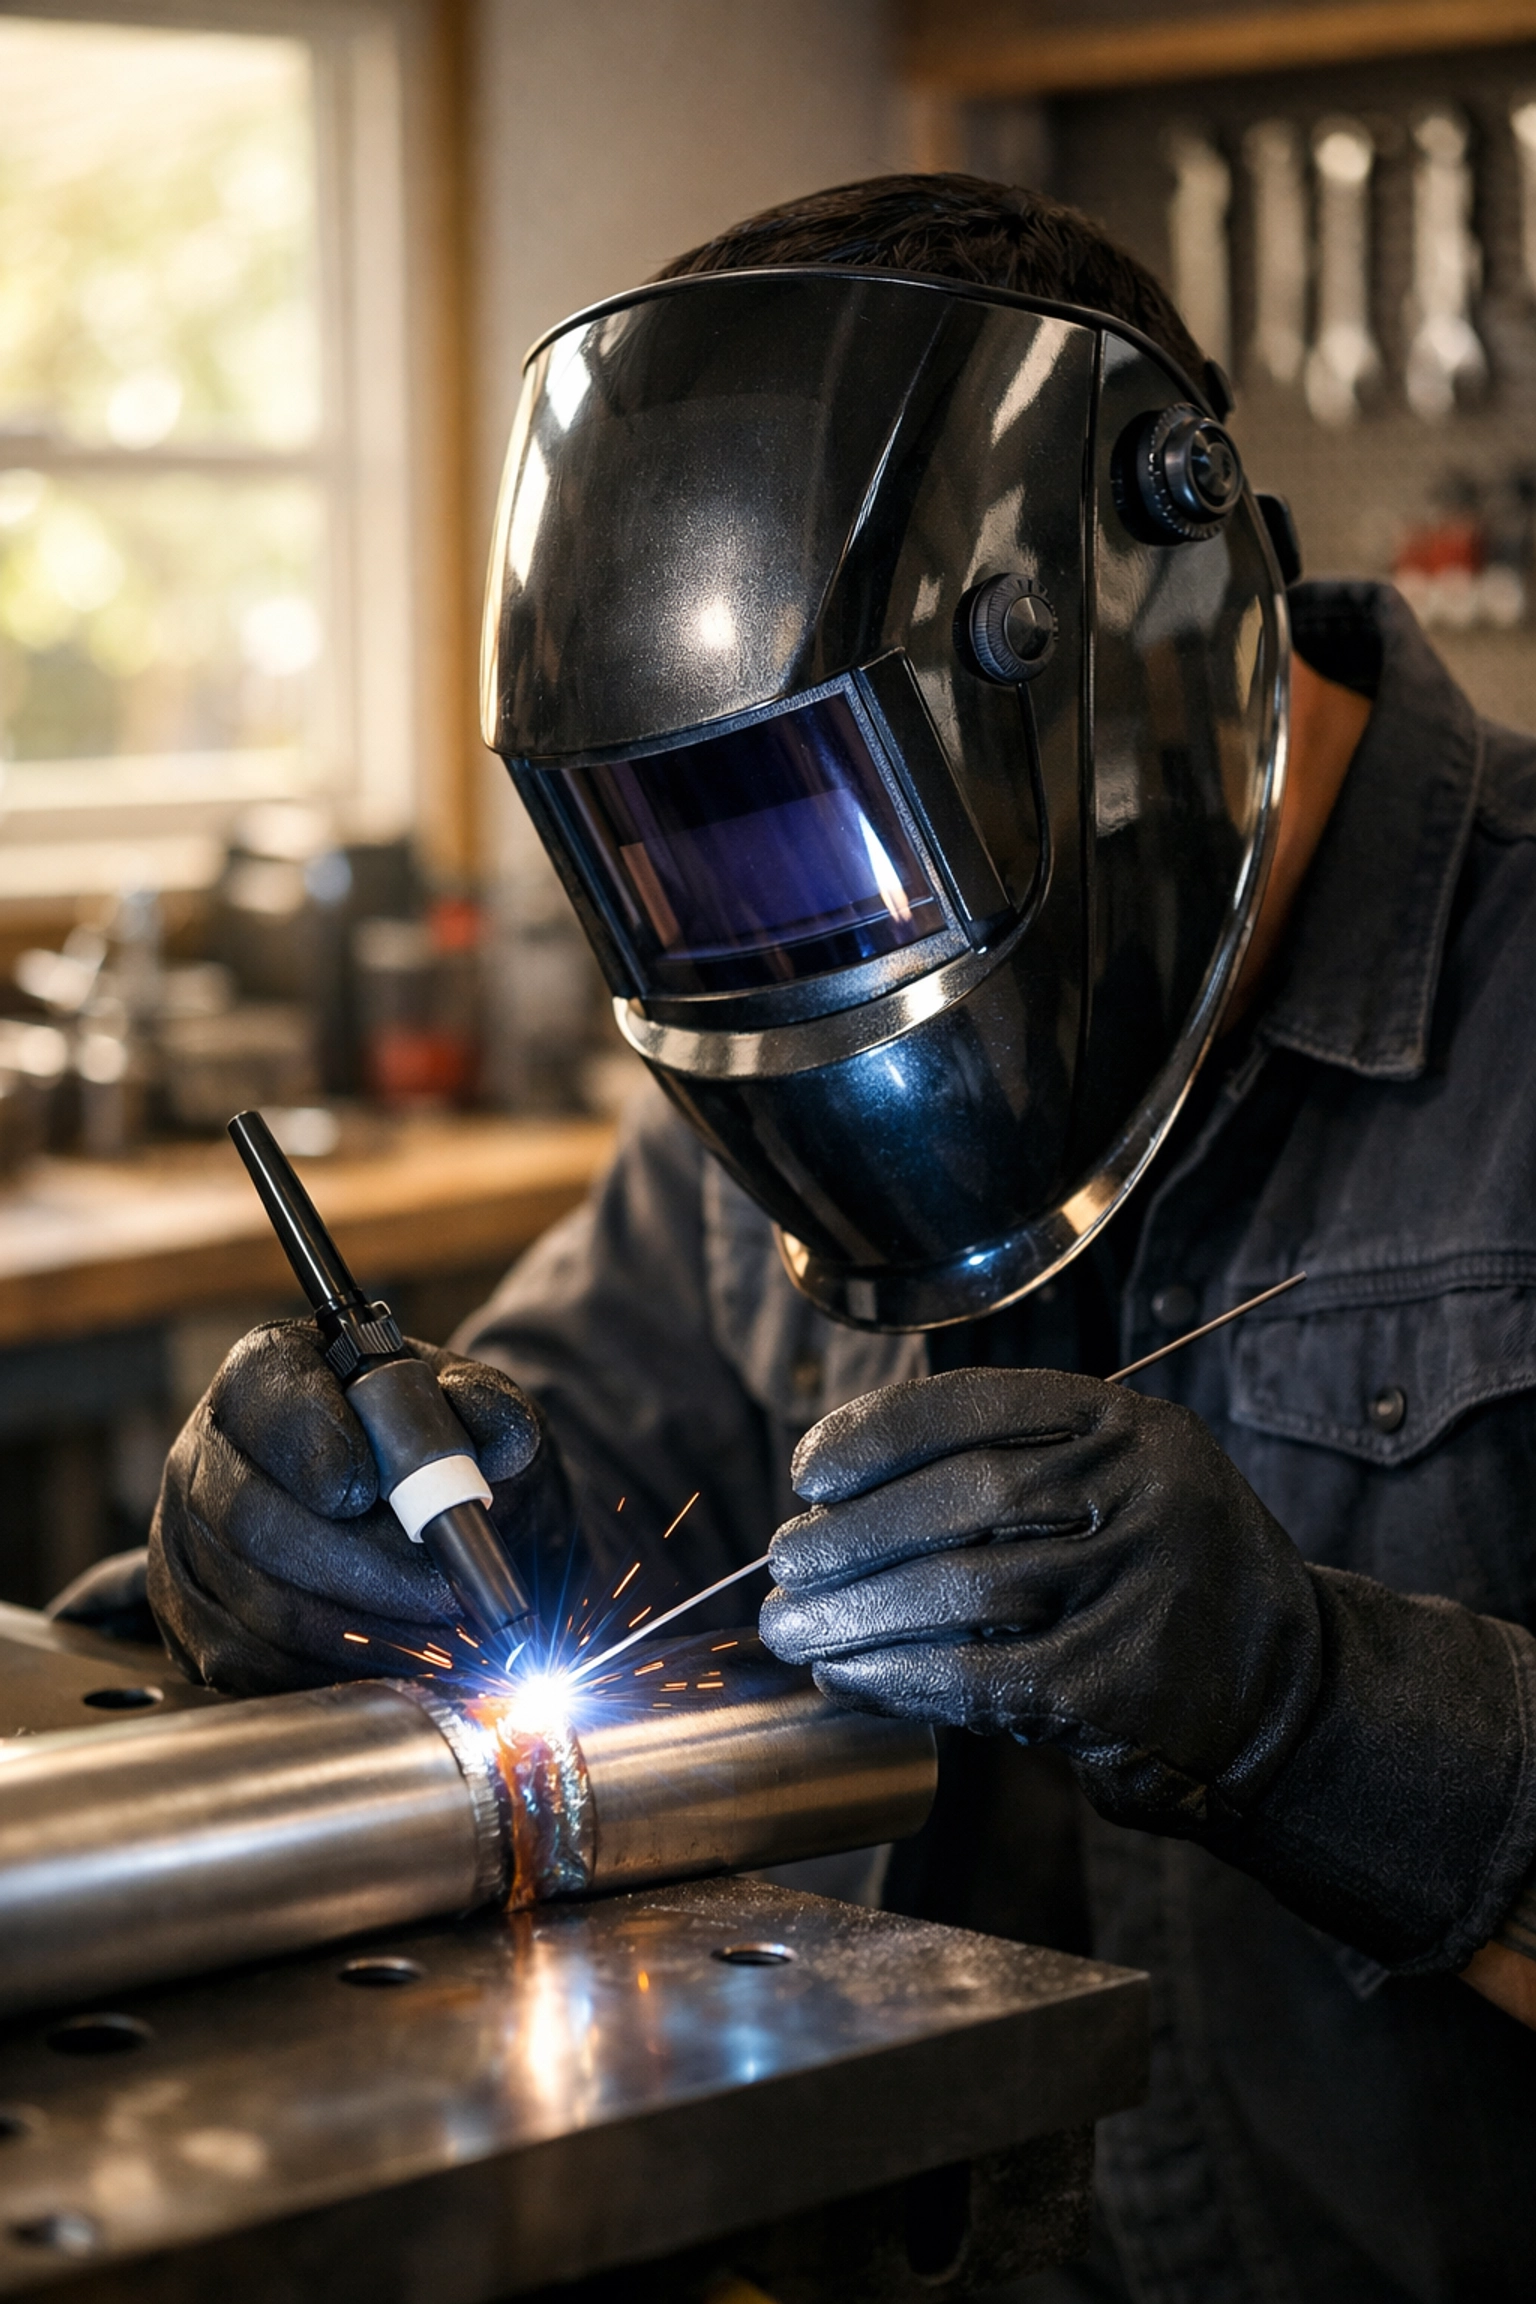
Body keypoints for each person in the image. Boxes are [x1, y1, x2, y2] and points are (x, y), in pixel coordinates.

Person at [63, 177, 1536, 2301]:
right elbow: (538, 1514)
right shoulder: (760, 1057)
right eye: (676, 870)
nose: (781, 955)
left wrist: (1310, 1709)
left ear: (1134, 605)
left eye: (830, 824)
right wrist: (295, 1547)